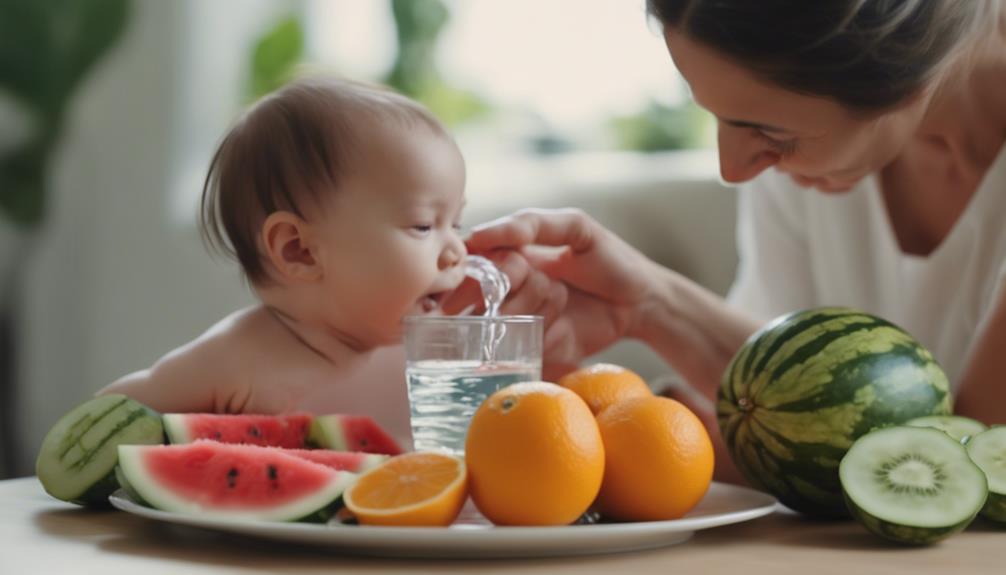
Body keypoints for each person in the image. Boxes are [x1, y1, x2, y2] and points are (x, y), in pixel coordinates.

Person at [460, 0, 1006, 481]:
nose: (734, 169)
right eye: (719, 119)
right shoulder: (799, 168)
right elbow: (779, 427)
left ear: (903, 76)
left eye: (770, 133)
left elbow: (964, 469)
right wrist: (645, 305)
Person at [98, 77, 559, 443]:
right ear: (298, 250)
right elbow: (102, 423)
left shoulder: (431, 364)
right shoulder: (235, 357)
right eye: (423, 226)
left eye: (454, 223)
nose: (457, 250)